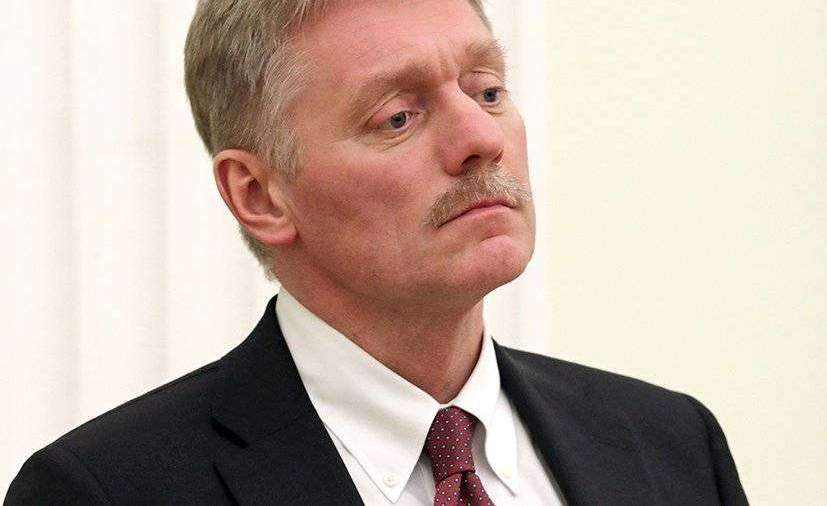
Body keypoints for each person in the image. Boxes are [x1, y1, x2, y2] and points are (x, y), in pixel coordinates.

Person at [6, 0, 748, 504]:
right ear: (261, 196)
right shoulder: (106, 491)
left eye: (488, 91)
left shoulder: (672, 446)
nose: (480, 138)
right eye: (398, 117)